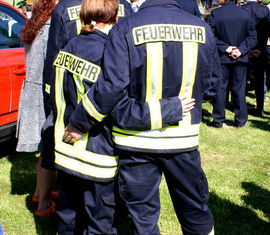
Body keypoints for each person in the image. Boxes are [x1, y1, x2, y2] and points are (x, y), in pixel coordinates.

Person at [64, 0, 221, 234]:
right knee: (194, 210)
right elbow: (212, 86)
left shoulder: (125, 28)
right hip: (183, 140)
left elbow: (111, 86)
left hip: (135, 142)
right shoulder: (201, 27)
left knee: (143, 219)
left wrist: (78, 122)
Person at [16, 0, 58, 216]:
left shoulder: (37, 21)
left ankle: (39, 192)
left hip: (33, 88)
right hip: (42, 91)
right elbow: (48, 62)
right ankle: (42, 205)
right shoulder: (51, 25)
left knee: (44, 149)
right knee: (48, 150)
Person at [207, 0, 257, 128]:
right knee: (239, 89)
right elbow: (252, 37)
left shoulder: (216, 13)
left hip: (222, 57)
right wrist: (241, 50)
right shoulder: (245, 14)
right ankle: (240, 120)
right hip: (239, 57)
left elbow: (210, 36)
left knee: (220, 88)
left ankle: (218, 119)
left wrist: (226, 48)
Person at [243, 0, 270, 116]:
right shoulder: (264, 10)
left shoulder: (242, 9)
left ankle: (239, 106)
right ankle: (260, 108)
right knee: (260, 79)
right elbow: (267, 31)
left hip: (245, 49)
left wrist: (246, 49)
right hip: (260, 49)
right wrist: (261, 48)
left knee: (242, 79)